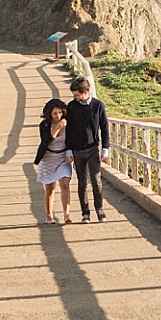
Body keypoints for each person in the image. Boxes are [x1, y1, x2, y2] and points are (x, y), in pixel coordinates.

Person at [63, 76, 110, 222]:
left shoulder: (98, 106)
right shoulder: (72, 106)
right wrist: (68, 149)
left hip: (92, 148)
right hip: (77, 149)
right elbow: (69, 130)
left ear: (86, 92)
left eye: (77, 95)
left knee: (96, 179)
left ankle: (99, 208)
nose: (75, 98)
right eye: (74, 95)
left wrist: (105, 148)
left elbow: (105, 127)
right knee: (82, 181)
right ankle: (85, 212)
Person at [33, 98, 73, 224]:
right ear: (49, 114)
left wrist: (70, 152)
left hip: (63, 158)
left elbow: (73, 140)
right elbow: (46, 142)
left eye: (60, 113)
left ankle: (66, 214)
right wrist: (56, 128)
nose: (58, 116)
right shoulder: (44, 125)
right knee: (50, 188)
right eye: (55, 113)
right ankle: (49, 216)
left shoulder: (69, 123)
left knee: (65, 183)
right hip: (48, 158)